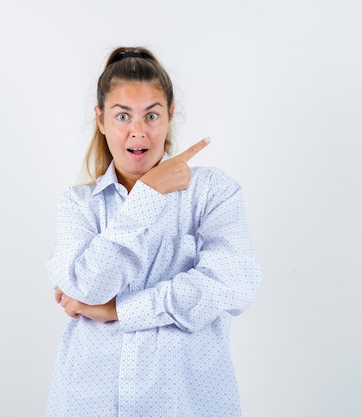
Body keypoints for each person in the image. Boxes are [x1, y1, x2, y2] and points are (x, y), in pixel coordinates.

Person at [46, 46, 262, 417]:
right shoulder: (78, 206)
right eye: (122, 116)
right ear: (100, 119)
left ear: (170, 115)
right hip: (92, 400)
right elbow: (87, 287)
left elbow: (235, 283)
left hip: (188, 401)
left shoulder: (213, 193)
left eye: (151, 115)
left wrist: (119, 310)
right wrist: (147, 195)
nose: (138, 132)